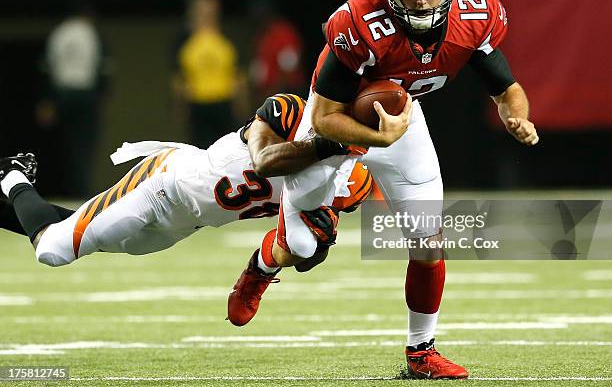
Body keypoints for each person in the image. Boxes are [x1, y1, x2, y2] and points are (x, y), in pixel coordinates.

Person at [227, 0, 539, 380]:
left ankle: (421, 351)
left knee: (428, 239)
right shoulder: (362, 23)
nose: (420, 2)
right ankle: (262, 265)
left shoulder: (476, 16)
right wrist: (376, 137)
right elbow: (325, 114)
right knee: (303, 245)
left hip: (400, 120)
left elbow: (506, 88)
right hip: (338, 125)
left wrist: (516, 117)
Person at [0, 94, 368, 269]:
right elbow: (264, 161)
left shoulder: (351, 179)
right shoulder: (288, 112)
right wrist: (323, 148)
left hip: (183, 226)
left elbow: (301, 258)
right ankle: (14, 174)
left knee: (78, 233)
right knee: (53, 250)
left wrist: (322, 242)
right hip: (162, 185)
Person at [40, 0, 110, 196]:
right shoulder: (91, 33)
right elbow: (103, 68)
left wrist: (47, 100)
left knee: (65, 146)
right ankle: (81, 192)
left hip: (62, 94)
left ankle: (66, 190)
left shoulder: (59, 33)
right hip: (86, 94)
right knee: (84, 146)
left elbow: (48, 68)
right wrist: (103, 97)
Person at [172, 0, 240, 148]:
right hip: (199, 105)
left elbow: (237, 79)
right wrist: (180, 108)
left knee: (227, 150)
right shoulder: (185, 43)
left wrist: (239, 108)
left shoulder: (225, 40)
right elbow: (180, 81)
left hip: (223, 104)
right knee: (202, 151)